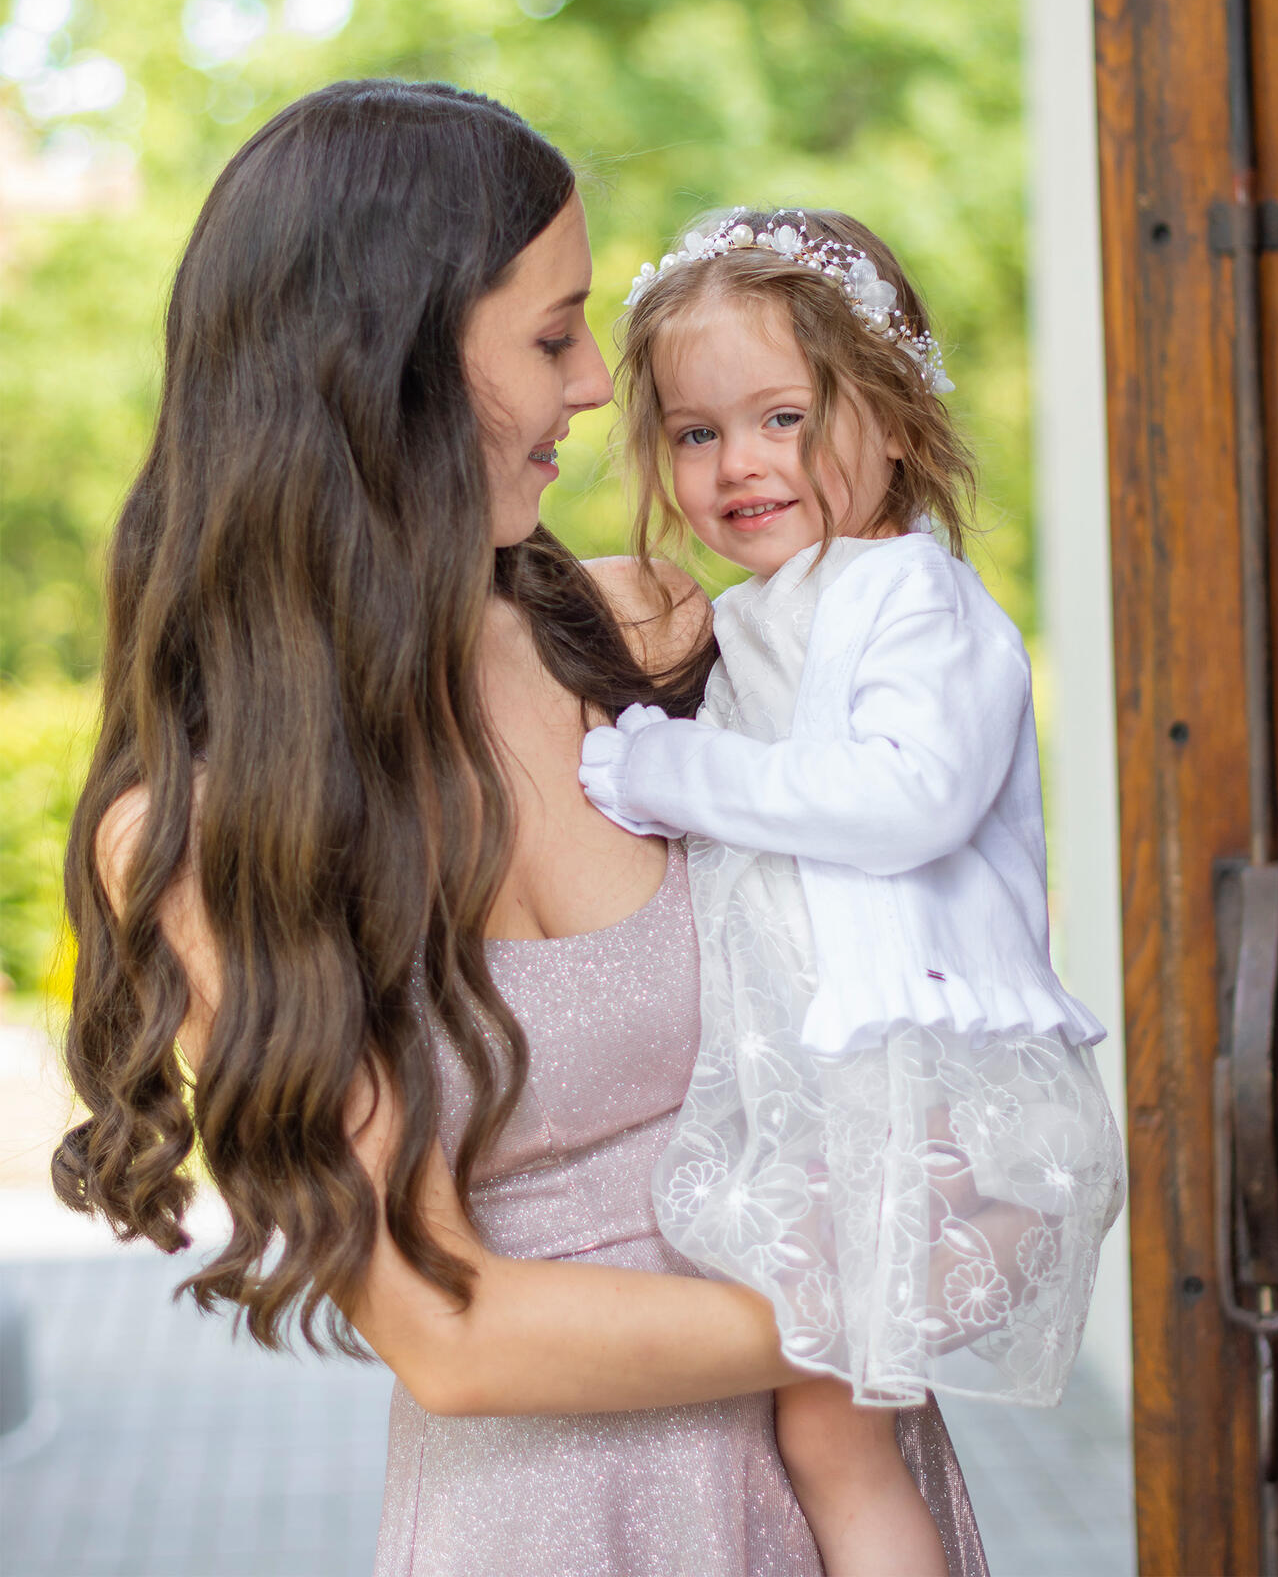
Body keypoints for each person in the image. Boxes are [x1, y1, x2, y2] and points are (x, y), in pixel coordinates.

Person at [53, 86, 990, 1577]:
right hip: (558, 1523)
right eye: (553, 337)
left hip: (850, 1491)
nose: (598, 388)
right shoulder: (206, 832)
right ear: (398, 364)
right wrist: (882, 1302)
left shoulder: (641, 636)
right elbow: (449, 1331)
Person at [579, 207, 1127, 1576]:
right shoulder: (772, 609)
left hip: (918, 1090)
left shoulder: (912, 601)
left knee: (834, 1441)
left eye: (782, 417)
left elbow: (901, 801)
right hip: (836, 1091)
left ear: (893, 416)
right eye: (695, 433)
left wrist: (670, 772)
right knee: (814, 1431)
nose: (737, 464)